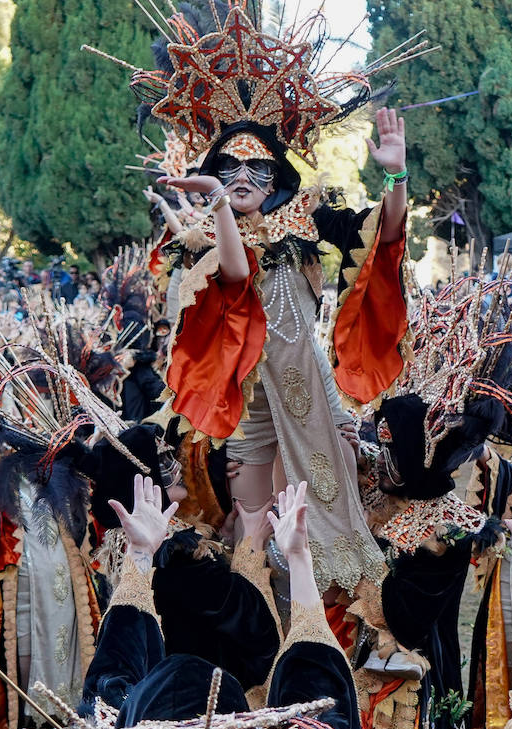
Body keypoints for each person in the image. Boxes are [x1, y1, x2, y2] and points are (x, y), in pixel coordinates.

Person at [148, 5, 408, 595]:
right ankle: (259, 646)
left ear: (278, 176)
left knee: (324, 514)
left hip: (307, 386)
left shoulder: (308, 219)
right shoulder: (199, 236)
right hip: (236, 401)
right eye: (229, 167)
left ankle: (330, 634)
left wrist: (394, 178)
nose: (242, 177)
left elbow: (384, 238)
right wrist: (215, 204)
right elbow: (236, 277)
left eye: (256, 167)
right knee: (250, 527)